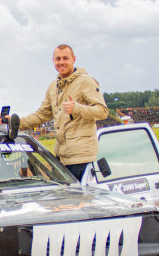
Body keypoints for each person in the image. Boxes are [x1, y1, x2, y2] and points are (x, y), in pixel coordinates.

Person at [17, 44, 108, 180]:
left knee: (79, 200)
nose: (61, 62)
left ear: (74, 59)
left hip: (81, 159)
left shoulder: (85, 81)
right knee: (64, 200)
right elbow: (41, 115)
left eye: (65, 58)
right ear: (53, 60)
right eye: (58, 59)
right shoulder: (53, 86)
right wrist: (15, 123)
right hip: (61, 159)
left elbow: (102, 111)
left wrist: (77, 108)